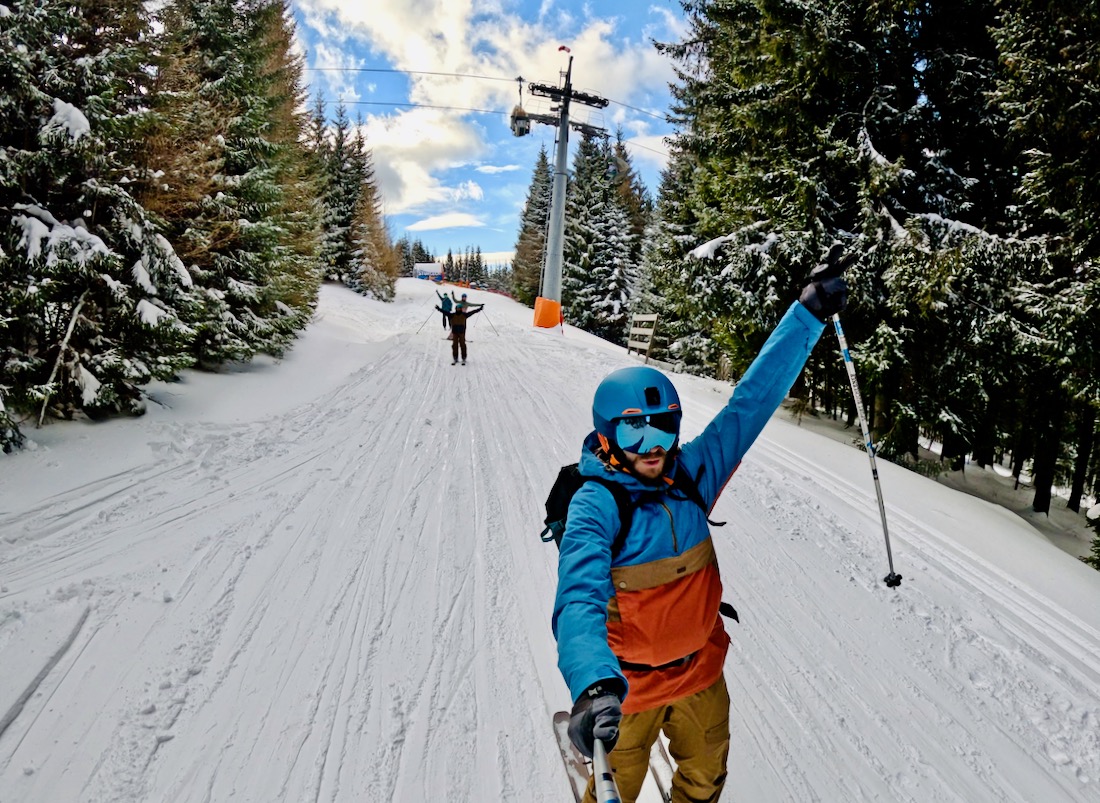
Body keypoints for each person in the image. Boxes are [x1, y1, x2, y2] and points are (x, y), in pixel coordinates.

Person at [553, 248, 849, 803]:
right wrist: (594, 683)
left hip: (700, 673)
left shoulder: (689, 476)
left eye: (664, 430)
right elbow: (578, 599)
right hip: (629, 690)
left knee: (706, 779)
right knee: (620, 784)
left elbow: (750, 404)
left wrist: (807, 314)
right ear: (607, 435)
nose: (654, 448)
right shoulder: (597, 504)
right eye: (635, 433)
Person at [436, 295, 483, 365]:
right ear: (456, 309)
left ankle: (463, 358)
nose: (459, 309)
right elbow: (445, 312)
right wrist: (439, 309)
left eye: (460, 308)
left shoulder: (464, 315)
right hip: (455, 332)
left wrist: (479, 309)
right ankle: (455, 358)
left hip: (461, 332)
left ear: (461, 309)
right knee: (454, 345)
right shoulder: (452, 315)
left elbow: (473, 312)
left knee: (462, 345)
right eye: (458, 308)